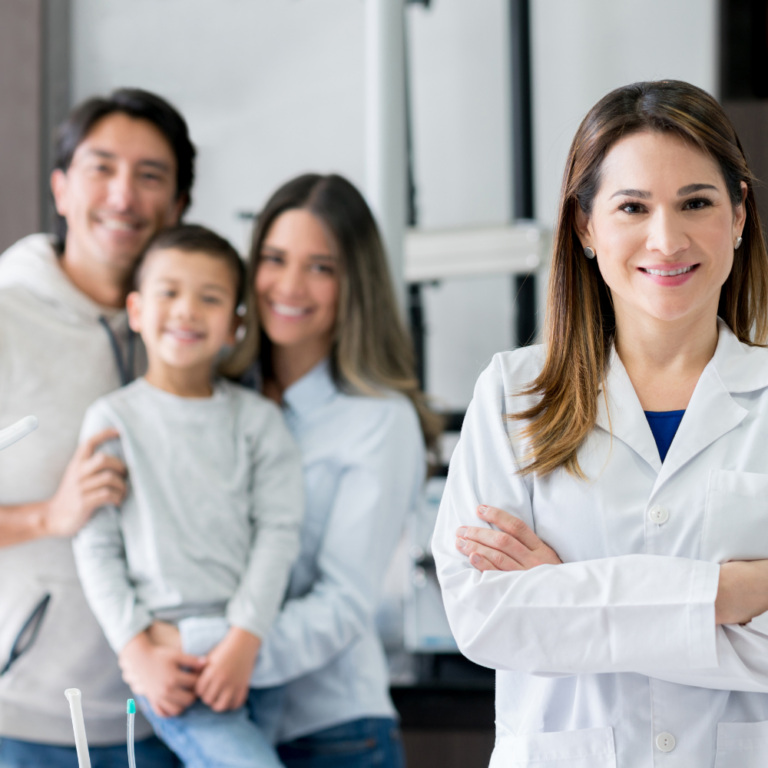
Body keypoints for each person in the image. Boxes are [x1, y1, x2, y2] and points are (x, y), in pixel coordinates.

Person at [433, 79, 768, 767]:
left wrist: (567, 594)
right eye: (632, 207)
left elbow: (535, 620)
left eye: (696, 203)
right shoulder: (513, 394)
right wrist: (729, 594)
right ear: (586, 226)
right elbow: (486, 616)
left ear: (738, 215)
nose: (666, 239)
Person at [152, 173, 441, 767]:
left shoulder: (379, 421)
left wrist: (198, 645)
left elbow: (342, 604)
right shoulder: (213, 397)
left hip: (332, 735)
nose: (289, 286)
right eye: (275, 259)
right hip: (202, 715)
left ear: (354, 284)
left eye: (321, 267)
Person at [0, 88, 194, 767]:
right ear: (61, 187)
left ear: (179, 204)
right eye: (101, 168)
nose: (123, 195)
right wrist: (49, 515)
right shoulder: (6, 316)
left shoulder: (189, 328)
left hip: (168, 719)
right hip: (24, 717)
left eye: (151, 175)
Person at [73, 224, 305, 768]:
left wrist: (245, 638)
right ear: (136, 309)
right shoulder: (113, 420)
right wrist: (136, 649)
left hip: (255, 654)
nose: (186, 311)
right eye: (169, 292)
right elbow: (96, 546)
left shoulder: (258, 422)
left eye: (210, 298)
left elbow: (278, 533)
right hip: (173, 661)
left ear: (235, 325)